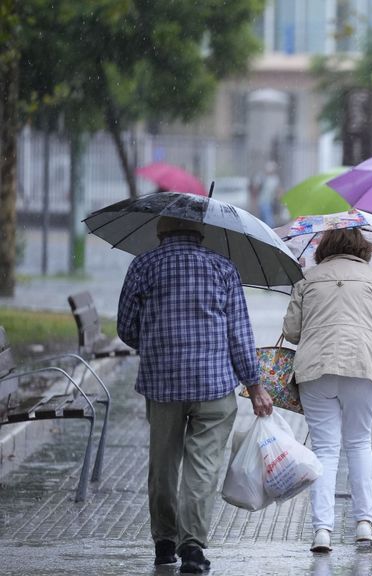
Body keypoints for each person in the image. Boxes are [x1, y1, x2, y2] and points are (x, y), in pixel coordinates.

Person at [117, 216, 273, 574]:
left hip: (162, 385)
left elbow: (126, 328)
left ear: (160, 230)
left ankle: (164, 544)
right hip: (214, 386)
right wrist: (254, 385)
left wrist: (157, 339)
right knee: (202, 468)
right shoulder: (223, 268)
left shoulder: (143, 265)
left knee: (163, 466)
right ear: (201, 232)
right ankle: (192, 549)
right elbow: (239, 335)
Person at [283, 227, 372, 552]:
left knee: (325, 450)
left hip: (315, 369)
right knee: (360, 443)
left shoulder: (307, 280)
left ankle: (322, 530)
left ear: (324, 247)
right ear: (362, 248)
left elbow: (291, 332)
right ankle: (364, 524)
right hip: (362, 367)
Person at [257, 161, 281, 225]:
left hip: (270, 201)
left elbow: (277, 190)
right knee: (265, 219)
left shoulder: (275, 179)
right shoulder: (263, 177)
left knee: (266, 219)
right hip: (263, 201)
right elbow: (257, 188)